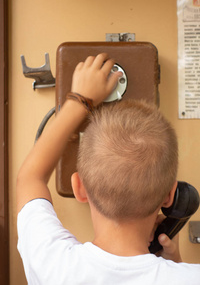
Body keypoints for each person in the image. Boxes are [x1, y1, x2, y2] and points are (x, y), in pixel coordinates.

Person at [17, 53, 200, 284]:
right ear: (170, 196)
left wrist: (79, 101)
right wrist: (176, 266)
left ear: (78, 187)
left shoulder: (51, 263)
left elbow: (29, 178)